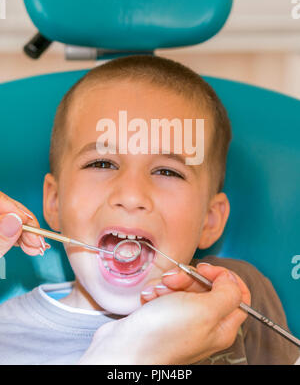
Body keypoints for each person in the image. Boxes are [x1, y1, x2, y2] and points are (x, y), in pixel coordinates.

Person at [0, 55, 298, 365]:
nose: (131, 195)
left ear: (210, 220)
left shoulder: (240, 298)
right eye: (102, 163)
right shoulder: (6, 338)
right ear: (55, 202)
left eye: (167, 172)